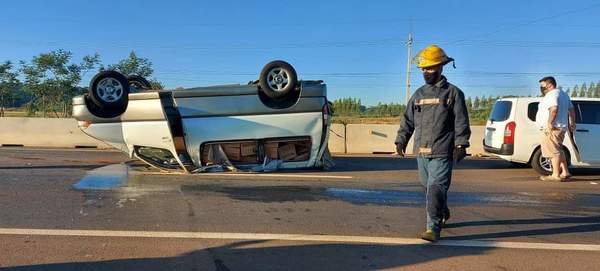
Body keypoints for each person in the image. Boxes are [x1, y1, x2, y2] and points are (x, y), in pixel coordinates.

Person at [395, 45, 471, 242]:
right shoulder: (418, 95)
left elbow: (461, 120)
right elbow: (408, 120)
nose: (425, 72)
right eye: (423, 69)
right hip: (421, 152)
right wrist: (401, 140)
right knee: (429, 190)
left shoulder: (453, 93)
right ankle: (442, 211)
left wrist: (461, 144)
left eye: (429, 68)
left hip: (442, 151)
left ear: (440, 67)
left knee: (436, 188)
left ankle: (433, 228)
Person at [535, 76, 576, 181]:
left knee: (554, 152)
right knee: (558, 150)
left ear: (549, 85)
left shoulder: (552, 94)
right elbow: (571, 109)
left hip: (553, 128)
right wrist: (572, 121)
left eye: (542, 86)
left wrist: (549, 122)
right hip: (560, 127)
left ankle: (555, 175)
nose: (541, 88)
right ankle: (565, 172)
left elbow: (554, 108)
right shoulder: (563, 94)